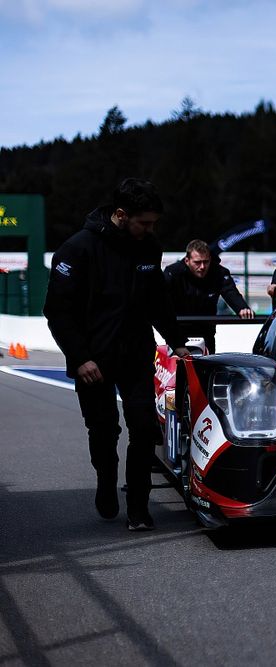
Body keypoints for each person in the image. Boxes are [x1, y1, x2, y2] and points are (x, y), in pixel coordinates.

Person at [44, 178, 191, 532]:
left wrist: (177, 341)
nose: (150, 229)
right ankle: (106, 481)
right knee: (103, 429)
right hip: (92, 360)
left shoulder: (148, 247)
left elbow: (159, 301)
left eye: (154, 223)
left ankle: (138, 507)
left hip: (136, 355)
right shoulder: (77, 249)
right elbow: (57, 311)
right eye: (144, 222)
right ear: (121, 215)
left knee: (143, 427)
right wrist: (80, 358)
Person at [163, 239, 254, 353]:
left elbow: (230, 292)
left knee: (207, 368)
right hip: (178, 333)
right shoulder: (173, 272)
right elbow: (159, 298)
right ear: (187, 260)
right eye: (197, 262)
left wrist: (242, 308)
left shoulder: (219, 272)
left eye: (206, 262)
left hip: (206, 332)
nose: (202, 267)